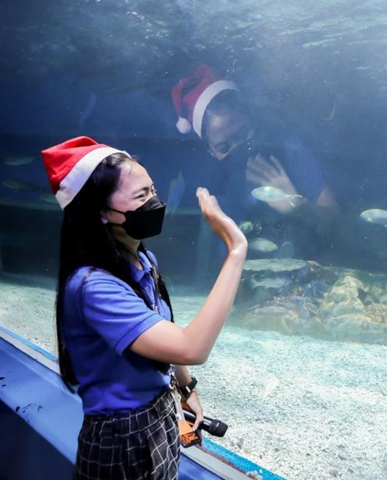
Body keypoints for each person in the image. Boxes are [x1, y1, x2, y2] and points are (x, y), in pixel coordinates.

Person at [41, 136, 247, 479]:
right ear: (100, 212)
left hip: (160, 413)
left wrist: (186, 389)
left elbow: (163, 332)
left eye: (152, 190)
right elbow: (191, 347)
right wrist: (236, 251)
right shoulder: (93, 287)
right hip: (121, 438)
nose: (154, 201)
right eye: (141, 196)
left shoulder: (140, 258)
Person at [171, 65, 338, 258]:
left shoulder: (288, 152)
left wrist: (296, 205)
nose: (238, 151)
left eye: (243, 134)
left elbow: (334, 224)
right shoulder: (199, 184)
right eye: (224, 147)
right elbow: (177, 246)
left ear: (252, 121)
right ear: (210, 150)